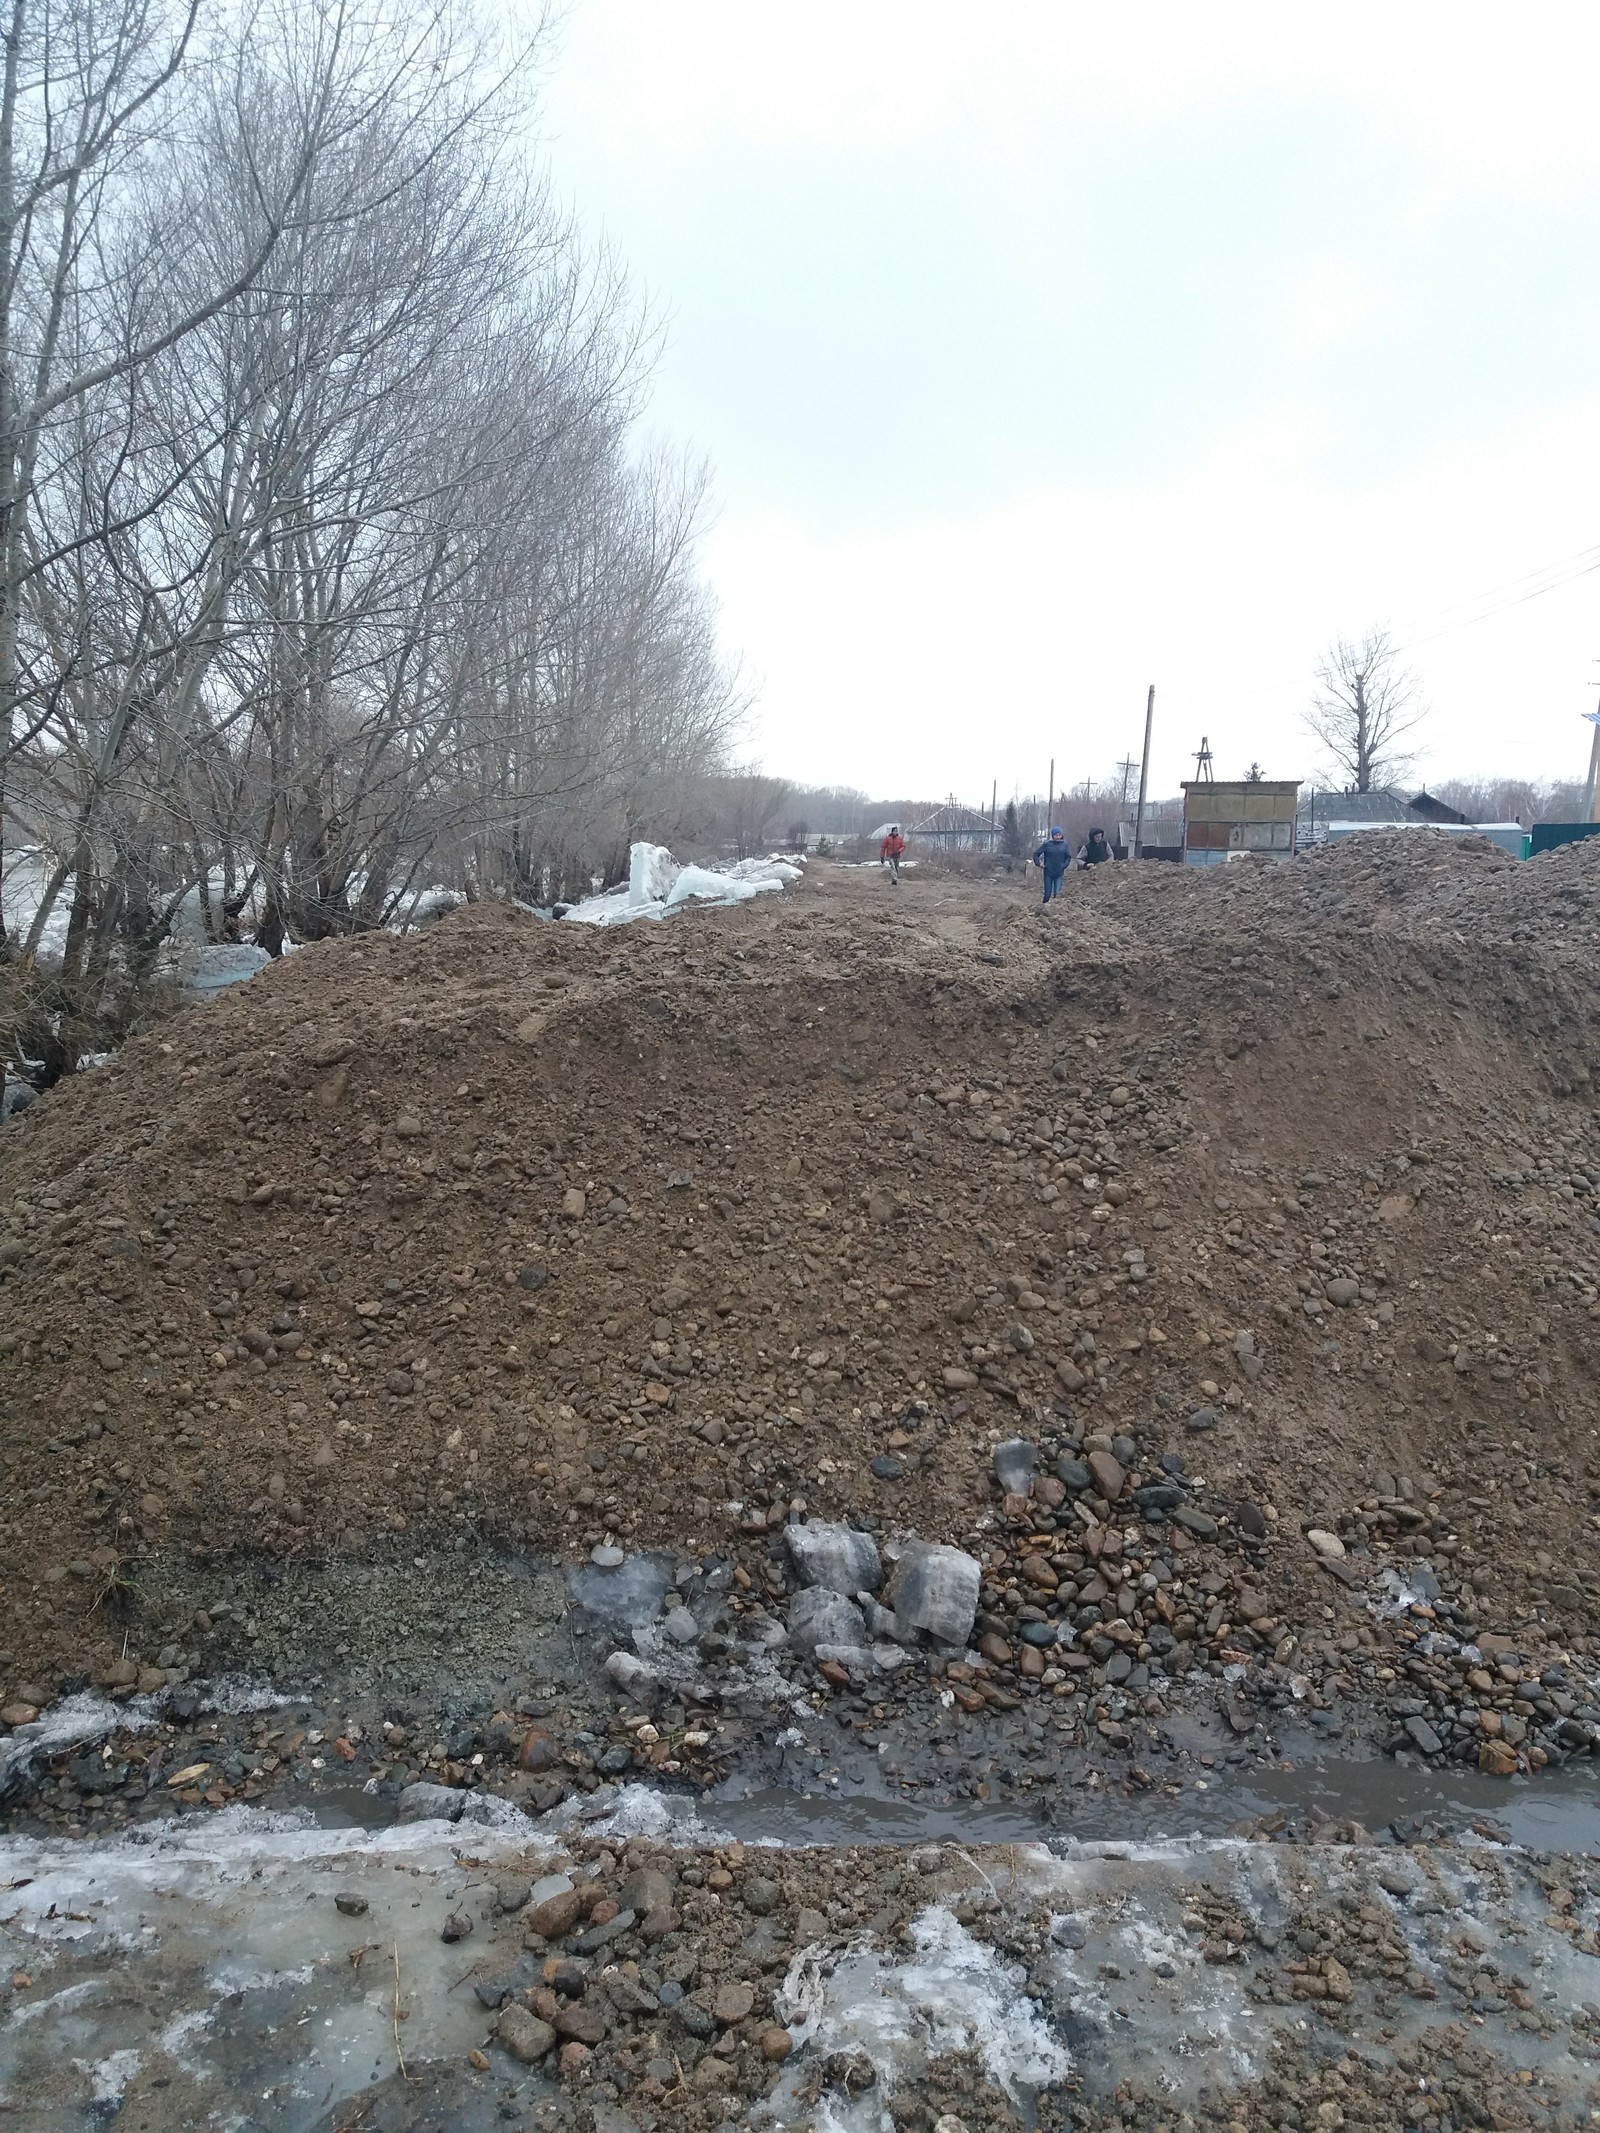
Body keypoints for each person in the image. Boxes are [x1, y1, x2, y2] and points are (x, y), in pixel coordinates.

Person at [1031, 825, 1071, 903]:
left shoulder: (1064, 845)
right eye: (1056, 835)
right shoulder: (1047, 844)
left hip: (1059, 873)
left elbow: (1068, 857)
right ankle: (1043, 908)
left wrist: (1064, 865)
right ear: (1053, 836)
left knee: (1057, 894)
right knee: (1047, 895)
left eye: (1059, 835)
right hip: (1048, 873)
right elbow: (1036, 853)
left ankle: (1055, 912)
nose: (1058, 837)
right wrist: (1038, 863)